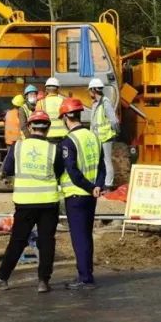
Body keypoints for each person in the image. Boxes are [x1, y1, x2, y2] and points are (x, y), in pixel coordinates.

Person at [0, 111, 60, 293]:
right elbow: (59, 172)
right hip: (49, 203)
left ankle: (2, 277)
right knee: (47, 242)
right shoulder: (54, 149)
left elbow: (9, 169)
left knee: (18, 241)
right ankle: (43, 281)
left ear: (30, 127)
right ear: (48, 128)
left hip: (25, 203)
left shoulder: (18, 147)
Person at [58, 96, 105, 290]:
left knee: (80, 238)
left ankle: (85, 277)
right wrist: (97, 187)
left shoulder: (69, 141)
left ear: (65, 118)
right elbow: (102, 166)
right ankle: (87, 274)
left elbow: (73, 172)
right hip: (91, 196)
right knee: (87, 235)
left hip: (77, 195)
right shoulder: (94, 136)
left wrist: (88, 187)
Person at [88, 78, 119, 188]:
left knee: (107, 161)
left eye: (90, 90)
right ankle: (101, 183)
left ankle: (108, 185)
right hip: (97, 138)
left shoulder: (105, 102)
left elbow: (114, 120)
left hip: (105, 137)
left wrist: (115, 131)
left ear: (94, 90)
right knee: (100, 161)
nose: (89, 93)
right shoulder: (96, 104)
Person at [37, 77, 68, 142]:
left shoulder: (40, 103)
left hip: (47, 135)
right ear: (58, 89)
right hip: (63, 135)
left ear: (46, 89)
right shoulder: (64, 101)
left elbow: (38, 121)